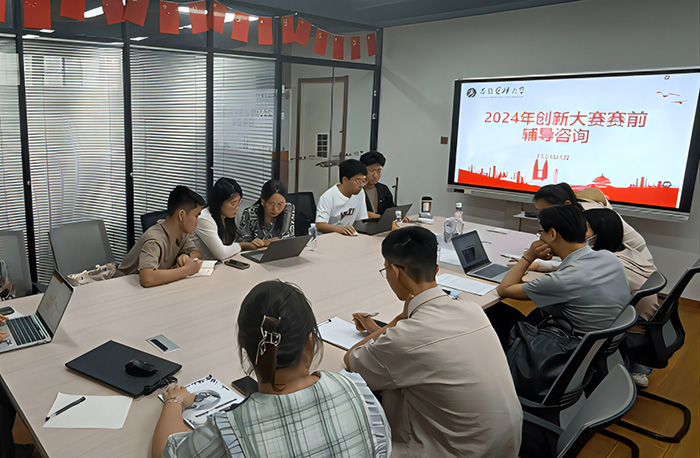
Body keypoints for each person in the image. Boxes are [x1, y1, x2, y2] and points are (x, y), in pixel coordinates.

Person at [152, 280, 391, 458]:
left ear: (244, 348)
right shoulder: (359, 392)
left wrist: (174, 401)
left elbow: (166, 453)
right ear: (310, 343)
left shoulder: (231, 429)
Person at [345, 226, 522, 457]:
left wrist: (397, 320)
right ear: (436, 270)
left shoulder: (407, 336)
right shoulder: (472, 310)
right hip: (504, 446)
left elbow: (352, 360)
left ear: (395, 272)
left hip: (456, 452)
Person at [494, 205, 631, 337]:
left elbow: (504, 289)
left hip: (569, 343)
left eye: (541, 232)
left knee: (497, 312)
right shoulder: (608, 257)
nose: (540, 237)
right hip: (603, 341)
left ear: (552, 234)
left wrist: (529, 256)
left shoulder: (564, 279)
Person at [584, 207, 658, 387]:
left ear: (599, 234)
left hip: (630, 327)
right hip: (645, 323)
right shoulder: (627, 251)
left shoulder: (607, 264)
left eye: (583, 228)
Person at [532, 183, 653, 266]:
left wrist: (537, 262)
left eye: (545, 211)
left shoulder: (588, 217)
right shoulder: (575, 211)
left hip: (632, 260)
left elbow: (579, 259)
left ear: (567, 204)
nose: (542, 217)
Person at [116, 186, 204, 287]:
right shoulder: (154, 240)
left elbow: (196, 252)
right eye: (196, 216)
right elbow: (147, 279)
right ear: (181, 215)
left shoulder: (181, 234)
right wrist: (186, 270)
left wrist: (185, 256)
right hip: (121, 286)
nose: (197, 221)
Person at [192, 178, 258, 259]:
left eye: (239, 203)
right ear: (219, 202)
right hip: (203, 264)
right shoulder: (204, 219)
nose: (237, 207)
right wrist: (242, 245)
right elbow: (222, 254)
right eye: (233, 203)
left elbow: (229, 246)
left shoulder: (226, 216)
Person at [315, 159, 369, 235]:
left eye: (363, 181)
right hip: (329, 237)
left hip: (348, 236)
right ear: (345, 180)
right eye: (357, 181)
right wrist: (340, 229)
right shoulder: (328, 196)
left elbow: (358, 220)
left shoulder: (360, 193)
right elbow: (320, 225)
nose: (361, 185)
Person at [236, 180, 295, 246]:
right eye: (271, 204)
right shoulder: (250, 212)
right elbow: (241, 241)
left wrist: (264, 242)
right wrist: (252, 243)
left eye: (279, 204)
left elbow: (288, 238)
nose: (275, 209)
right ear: (263, 201)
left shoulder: (288, 209)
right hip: (255, 250)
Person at [359, 151, 395, 218]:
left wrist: (398, 214)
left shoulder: (383, 189)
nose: (375, 175)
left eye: (379, 171)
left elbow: (391, 208)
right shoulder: (355, 190)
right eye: (372, 170)